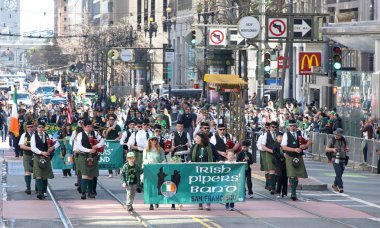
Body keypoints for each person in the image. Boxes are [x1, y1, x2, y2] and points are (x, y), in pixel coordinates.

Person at [281, 120, 312, 201]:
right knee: (292, 174)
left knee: (296, 175)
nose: (293, 127)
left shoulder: (300, 133)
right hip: (290, 156)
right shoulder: (286, 134)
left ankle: (294, 192)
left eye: (294, 126)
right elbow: (284, 147)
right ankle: (293, 193)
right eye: (291, 126)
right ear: (288, 127)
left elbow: (310, 141)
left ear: (296, 126)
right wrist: (294, 150)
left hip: (298, 156)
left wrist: (305, 145)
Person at [75, 120, 105, 200]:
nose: (89, 128)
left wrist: (97, 146)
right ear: (84, 127)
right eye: (88, 126)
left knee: (91, 175)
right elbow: (79, 146)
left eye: (91, 126)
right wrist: (89, 150)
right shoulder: (80, 135)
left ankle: (90, 192)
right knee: (84, 174)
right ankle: (83, 193)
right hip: (83, 155)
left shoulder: (95, 133)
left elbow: (102, 141)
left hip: (93, 156)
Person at [189, 132, 218, 211]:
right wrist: (189, 161)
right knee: (199, 187)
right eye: (196, 138)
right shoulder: (194, 146)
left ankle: (208, 204)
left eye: (198, 138)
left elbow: (216, 155)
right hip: (197, 171)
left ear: (202, 139)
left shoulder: (210, 146)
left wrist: (221, 161)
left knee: (208, 187)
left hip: (208, 170)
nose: (196, 139)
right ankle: (200, 204)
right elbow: (190, 155)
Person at [31, 121, 59, 200]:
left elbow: (57, 144)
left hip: (46, 157)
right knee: (39, 175)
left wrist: (52, 148)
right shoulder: (33, 136)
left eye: (42, 127)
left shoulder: (48, 135)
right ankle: (39, 192)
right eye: (39, 127)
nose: (40, 129)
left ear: (44, 128)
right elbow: (33, 148)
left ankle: (44, 191)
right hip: (37, 157)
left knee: (45, 175)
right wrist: (42, 152)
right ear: (37, 128)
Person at [143, 135, 166, 210]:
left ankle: (156, 200)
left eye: (155, 139)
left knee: (158, 186)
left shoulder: (160, 149)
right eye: (152, 139)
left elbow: (163, 159)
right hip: (149, 171)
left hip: (158, 170)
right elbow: (144, 160)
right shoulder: (146, 150)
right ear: (149, 141)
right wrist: (147, 161)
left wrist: (163, 163)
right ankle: (151, 203)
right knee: (150, 187)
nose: (154, 141)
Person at [325, 128, 349, 193]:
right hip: (335, 158)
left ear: (341, 135)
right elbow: (326, 149)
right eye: (336, 134)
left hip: (343, 159)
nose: (336, 135)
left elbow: (347, 147)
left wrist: (347, 149)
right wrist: (332, 149)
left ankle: (335, 185)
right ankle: (341, 187)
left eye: (338, 135)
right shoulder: (332, 140)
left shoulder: (344, 140)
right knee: (338, 172)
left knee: (340, 173)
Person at [261, 121, 278, 194]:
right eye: (272, 127)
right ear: (270, 127)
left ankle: (274, 186)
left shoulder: (279, 134)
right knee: (271, 170)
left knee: (276, 171)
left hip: (277, 154)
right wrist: (270, 150)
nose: (274, 128)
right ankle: (272, 187)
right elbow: (263, 145)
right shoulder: (266, 135)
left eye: (275, 127)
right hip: (269, 154)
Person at [18, 121, 35, 195]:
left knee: (37, 172)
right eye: (28, 127)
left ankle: (38, 188)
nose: (30, 128)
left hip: (37, 156)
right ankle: (28, 188)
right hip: (27, 155)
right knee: (27, 171)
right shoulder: (24, 135)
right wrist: (31, 148)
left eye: (31, 126)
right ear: (26, 128)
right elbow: (21, 145)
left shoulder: (37, 134)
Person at [272, 132, 287, 198]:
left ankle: (284, 192)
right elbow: (275, 154)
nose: (281, 138)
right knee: (280, 176)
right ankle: (278, 190)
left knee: (285, 176)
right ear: (276, 138)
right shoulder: (276, 145)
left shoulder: (285, 144)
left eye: (282, 137)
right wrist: (281, 155)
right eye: (279, 137)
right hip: (278, 162)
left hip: (285, 162)